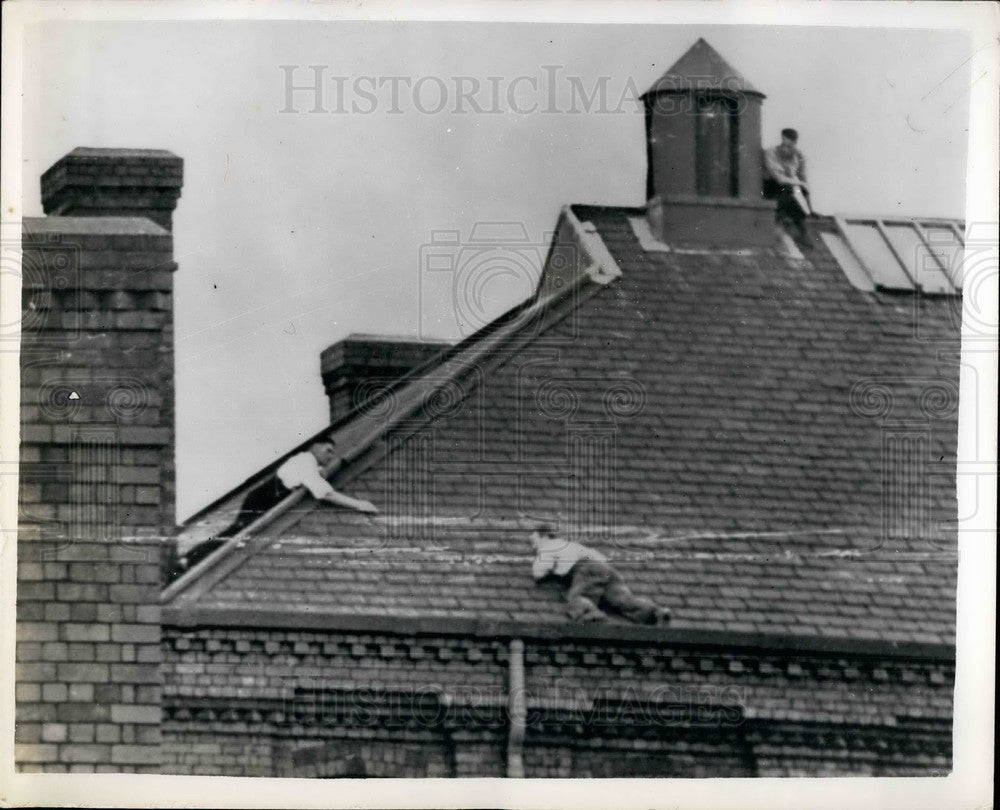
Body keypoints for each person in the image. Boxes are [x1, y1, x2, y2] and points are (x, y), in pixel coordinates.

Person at [172, 441, 377, 577]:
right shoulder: (306, 461)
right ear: (315, 447)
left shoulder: (306, 461)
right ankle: (190, 561)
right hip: (264, 500)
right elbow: (325, 493)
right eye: (327, 450)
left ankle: (191, 560)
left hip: (266, 497)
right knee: (237, 534)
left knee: (237, 534)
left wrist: (320, 470)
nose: (330, 456)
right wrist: (359, 504)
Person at [529, 524, 671, 625]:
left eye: (534, 538)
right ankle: (654, 612)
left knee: (576, 597)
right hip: (605, 568)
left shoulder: (548, 546)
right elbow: (599, 558)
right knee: (620, 599)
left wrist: (546, 573)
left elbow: (538, 572)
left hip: (586, 569)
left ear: (545, 536)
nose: (532, 542)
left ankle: (593, 617)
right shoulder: (570, 545)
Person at [762, 128, 815, 247]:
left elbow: (803, 178)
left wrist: (809, 206)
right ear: (782, 139)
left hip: (789, 189)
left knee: (798, 192)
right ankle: (786, 217)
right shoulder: (772, 152)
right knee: (790, 190)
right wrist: (796, 182)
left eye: (792, 143)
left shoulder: (798, 155)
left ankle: (801, 228)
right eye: (786, 141)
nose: (788, 146)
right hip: (772, 187)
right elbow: (778, 177)